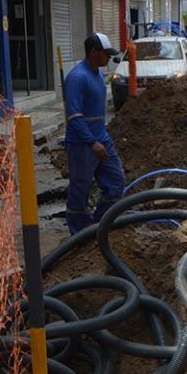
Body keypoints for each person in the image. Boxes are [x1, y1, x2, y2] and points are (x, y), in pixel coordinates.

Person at [63, 32, 124, 236]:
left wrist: (100, 140)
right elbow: (74, 116)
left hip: (101, 139)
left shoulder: (97, 74)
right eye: (105, 54)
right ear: (93, 52)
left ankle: (99, 225)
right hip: (82, 144)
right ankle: (78, 232)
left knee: (115, 181)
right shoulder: (77, 77)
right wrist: (92, 143)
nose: (108, 58)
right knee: (80, 189)